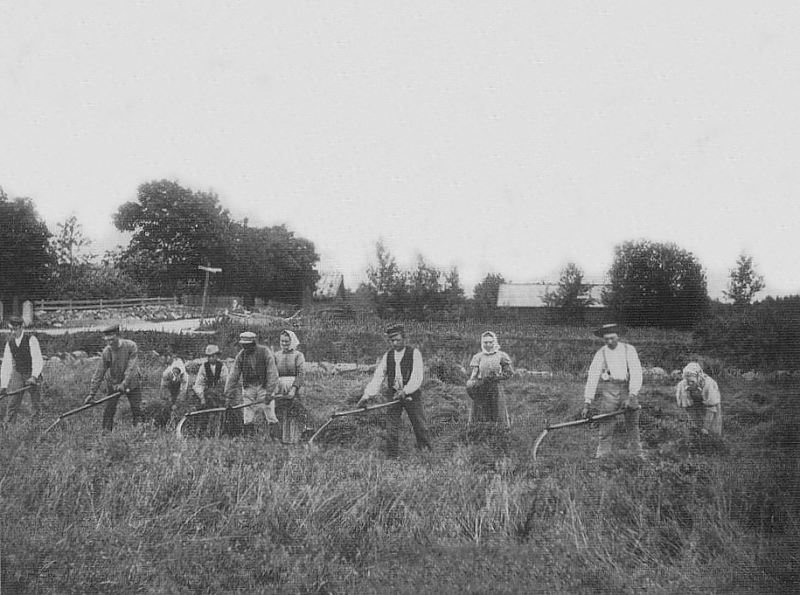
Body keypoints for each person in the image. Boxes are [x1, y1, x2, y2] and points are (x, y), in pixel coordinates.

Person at [357, 324, 432, 458]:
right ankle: (392, 457)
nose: (394, 343)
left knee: (420, 426)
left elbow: (417, 376)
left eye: (397, 339)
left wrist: (406, 390)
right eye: (392, 340)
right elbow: (378, 377)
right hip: (393, 395)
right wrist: (367, 396)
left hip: (411, 396)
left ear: (404, 338)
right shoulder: (388, 356)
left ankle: (426, 454)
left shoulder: (414, 353)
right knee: (391, 427)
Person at [581, 323, 644, 459]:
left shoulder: (629, 350)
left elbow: (636, 371)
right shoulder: (601, 353)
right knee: (606, 423)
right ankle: (602, 456)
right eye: (606, 339)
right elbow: (592, 377)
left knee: (632, 424)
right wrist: (587, 402)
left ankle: (637, 455)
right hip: (610, 390)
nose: (609, 341)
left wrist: (632, 395)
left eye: (612, 338)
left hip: (628, 388)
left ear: (618, 337)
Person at [85, 324, 142, 432]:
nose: (110, 342)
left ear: (118, 335)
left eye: (112, 339)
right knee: (109, 409)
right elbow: (99, 373)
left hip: (132, 382)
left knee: (136, 408)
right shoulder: (107, 351)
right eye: (107, 340)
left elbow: (131, 368)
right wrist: (92, 393)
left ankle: (139, 432)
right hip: (114, 383)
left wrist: (124, 384)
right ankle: (106, 434)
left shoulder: (131, 346)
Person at [224, 331, 279, 436]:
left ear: (254, 343)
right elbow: (233, 375)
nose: (246, 348)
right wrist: (228, 394)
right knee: (248, 415)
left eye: (248, 345)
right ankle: (249, 438)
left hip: (264, 386)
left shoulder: (265, 352)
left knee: (270, 413)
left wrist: (269, 392)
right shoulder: (241, 355)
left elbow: (272, 373)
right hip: (249, 387)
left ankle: (275, 439)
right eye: (244, 345)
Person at [466, 331, 513, 429]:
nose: (488, 345)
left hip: (495, 387)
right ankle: (479, 431)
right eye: (485, 342)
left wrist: (497, 377)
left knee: (497, 411)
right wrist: (472, 385)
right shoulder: (478, 357)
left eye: (490, 342)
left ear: (494, 342)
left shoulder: (501, 355)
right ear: (482, 343)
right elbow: (474, 374)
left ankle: (499, 431)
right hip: (482, 387)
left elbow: (509, 373)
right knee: (480, 411)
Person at [1, 315, 44, 422]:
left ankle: (35, 428)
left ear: (21, 327)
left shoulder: (31, 340)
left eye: (15, 329)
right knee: (12, 403)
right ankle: (9, 429)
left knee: (35, 403)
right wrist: (3, 386)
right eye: (11, 329)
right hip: (18, 373)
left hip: (32, 373)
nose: (13, 332)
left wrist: (34, 377)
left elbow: (37, 359)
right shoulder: (10, 343)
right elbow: (6, 365)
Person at [273, 330, 308, 444]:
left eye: (287, 342)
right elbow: (272, 373)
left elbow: (301, 374)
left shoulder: (298, 355)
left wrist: (293, 389)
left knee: (294, 411)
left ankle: (296, 438)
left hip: (295, 387)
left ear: (292, 341)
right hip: (279, 388)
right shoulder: (276, 355)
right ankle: (280, 438)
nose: (284, 344)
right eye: (282, 341)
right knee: (280, 411)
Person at [675, 362, 723, 437]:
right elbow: (688, 407)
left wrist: (705, 428)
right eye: (688, 381)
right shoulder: (682, 386)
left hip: (711, 409)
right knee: (696, 430)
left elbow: (711, 408)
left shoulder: (708, 384)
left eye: (692, 381)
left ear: (698, 377)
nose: (690, 383)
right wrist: (694, 424)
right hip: (694, 407)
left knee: (712, 433)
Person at [193, 344, 230, 435]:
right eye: (209, 356)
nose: (211, 358)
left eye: (213, 356)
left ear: (217, 356)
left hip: (220, 395)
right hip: (207, 394)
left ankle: (219, 431)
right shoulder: (203, 367)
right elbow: (199, 384)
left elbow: (226, 383)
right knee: (203, 411)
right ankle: (201, 432)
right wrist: (202, 397)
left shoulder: (223, 367)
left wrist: (226, 396)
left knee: (221, 413)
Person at [156, 358, 189, 427]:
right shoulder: (166, 373)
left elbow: (183, 391)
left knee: (178, 407)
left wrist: (177, 403)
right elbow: (164, 387)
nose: (176, 374)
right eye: (174, 372)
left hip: (178, 389)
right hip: (169, 387)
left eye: (177, 372)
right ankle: (161, 423)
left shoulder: (185, 376)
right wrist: (169, 399)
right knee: (166, 406)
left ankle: (176, 423)